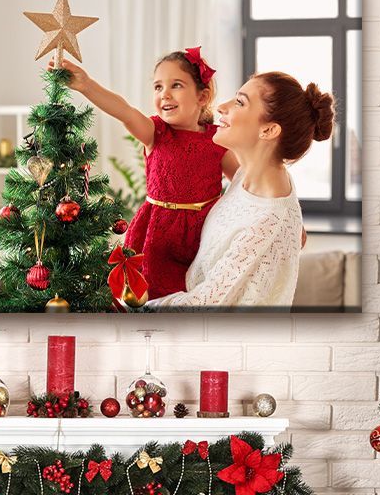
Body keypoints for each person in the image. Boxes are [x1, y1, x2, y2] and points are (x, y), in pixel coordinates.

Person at [54, 48, 239, 299]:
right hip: (156, 236)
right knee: (148, 298)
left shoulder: (218, 140)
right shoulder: (156, 132)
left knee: (196, 299)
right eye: (158, 87)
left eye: (176, 85)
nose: (165, 94)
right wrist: (87, 85)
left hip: (203, 235)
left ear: (202, 96)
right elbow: (125, 112)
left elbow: (247, 184)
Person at [149, 71, 334, 308]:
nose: (221, 108)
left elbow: (202, 306)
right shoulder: (248, 175)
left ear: (268, 131)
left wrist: (127, 310)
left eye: (240, 102)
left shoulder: (267, 222)